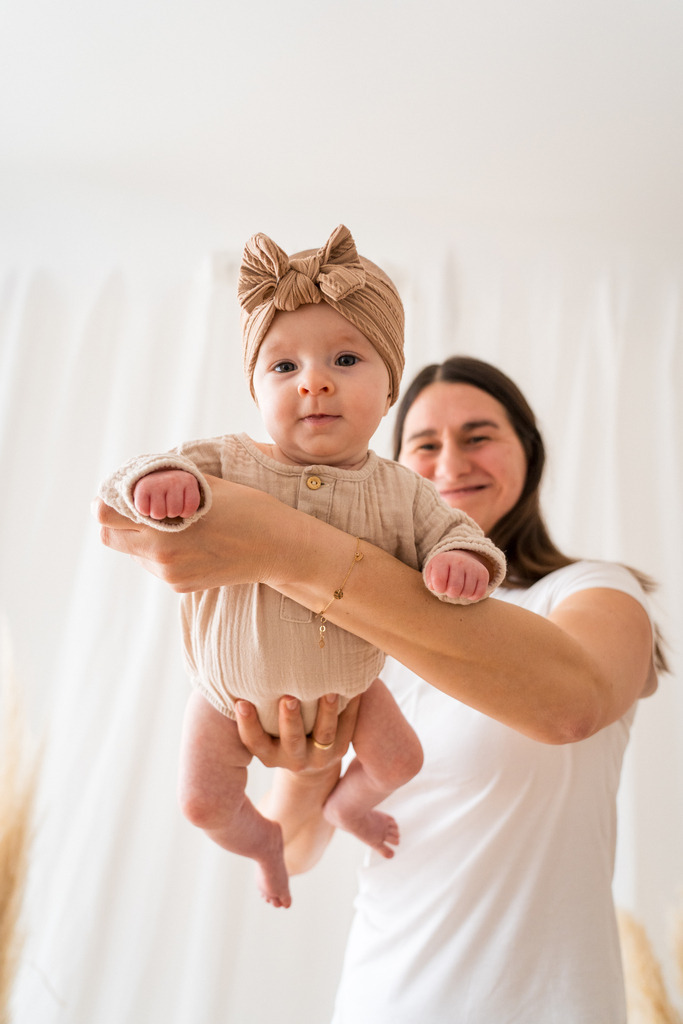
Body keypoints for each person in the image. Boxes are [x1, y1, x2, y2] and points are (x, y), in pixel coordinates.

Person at [94, 354, 662, 1022]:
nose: (449, 463)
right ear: (395, 475)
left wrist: (285, 546)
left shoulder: (586, 591)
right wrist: (310, 766)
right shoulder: (345, 618)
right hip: (380, 998)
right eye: (423, 444)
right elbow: (296, 846)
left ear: (528, 454)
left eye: (478, 436)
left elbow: (571, 706)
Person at [98, 228, 506, 909]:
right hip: (224, 699)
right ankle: (258, 840)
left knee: (401, 761)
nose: (312, 381)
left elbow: (455, 535)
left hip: (352, 692)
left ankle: (347, 805)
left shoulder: (401, 490)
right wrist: (159, 481)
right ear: (256, 391)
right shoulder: (231, 460)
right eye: (283, 368)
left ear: (388, 394)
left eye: (344, 358)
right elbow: (124, 481)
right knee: (201, 804)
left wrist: (459, 560)